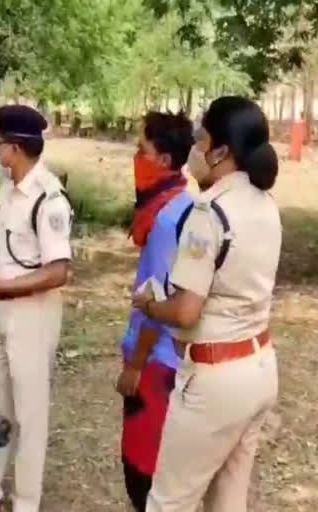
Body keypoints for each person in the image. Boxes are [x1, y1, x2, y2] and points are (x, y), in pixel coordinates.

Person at [133, 96, 281, 512]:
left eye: (201, 140)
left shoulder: (210, 212)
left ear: (220, 151)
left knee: (168, 502)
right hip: (258, 367)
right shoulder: (266, 205)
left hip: (215, 379)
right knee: (228, 502)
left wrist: (149, 305)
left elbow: (184, 311)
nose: (194, 152)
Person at [0, 105, 72, 512]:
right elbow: (12, 252)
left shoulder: (49, 199)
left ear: (15, 148)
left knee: (29, 416)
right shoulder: (9, 190)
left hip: (32, 318)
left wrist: (4, 284)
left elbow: (58, 271)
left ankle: (26, 503)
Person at [117, 112, 194, 511]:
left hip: (156, 364)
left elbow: (158, 301)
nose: (135, 156)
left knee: (141, 475)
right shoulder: (186, 203)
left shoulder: (165, 219)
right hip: (175, 363)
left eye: (141, 149)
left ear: (163, 160)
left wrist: (134, 364)